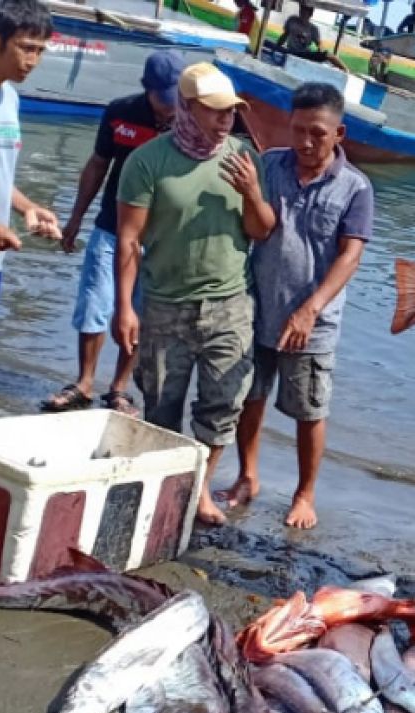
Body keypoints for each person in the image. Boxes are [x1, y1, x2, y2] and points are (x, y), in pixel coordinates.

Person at [114, 63, 276, 526]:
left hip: (230, 302)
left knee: (223, 402)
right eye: (215, 111)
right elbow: (129, 240)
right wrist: (125, 306)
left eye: (232, 112)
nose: (226, 121)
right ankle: (164, 488)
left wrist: (250, 191)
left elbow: (261, 230)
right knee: (162, 404)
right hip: (165, 302)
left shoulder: (245, 156)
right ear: (186, 107)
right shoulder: (147, 162)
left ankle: (200, 488)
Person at [222, 83, 373, 530]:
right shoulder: (269, 165)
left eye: (318, 134)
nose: (306, 143)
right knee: (249, 396)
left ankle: (305, 494)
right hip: (257, 306)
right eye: (298, 130)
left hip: (313, 322)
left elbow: (350, 255)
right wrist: (251, 192)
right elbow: (256, 230)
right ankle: (248, 476)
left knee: (309, 410)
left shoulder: (355, 187)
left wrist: (311, 308)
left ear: (339, 133)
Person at [42, 52, 185, 417]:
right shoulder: (120, 112)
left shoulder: (192, 121)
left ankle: (119, 388)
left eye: (177, 98)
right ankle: (84, 382)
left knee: (140, 312)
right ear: (147, 90)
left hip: (161, 238)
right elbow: (98, 165)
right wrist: (75, 217)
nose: (171, 108)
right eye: (164, 98)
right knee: (94, 304)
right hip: (111, 227)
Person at [0, 0, 59, 293]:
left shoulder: (10, 98)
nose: (34, 61)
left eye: (40, 50)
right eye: (26, 47)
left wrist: (28, 208)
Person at [278, 2, 348, 69]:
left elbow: (319, 44)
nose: (303, 13)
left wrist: (320, 52)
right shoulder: (292, 20)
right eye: (302, 10)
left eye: (306, 12)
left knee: (328, 54)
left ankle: (345, 70)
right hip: (291, 51)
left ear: (311, 14)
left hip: (304, 54)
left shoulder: (313, 29)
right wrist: (277, 46)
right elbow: (284, 35)